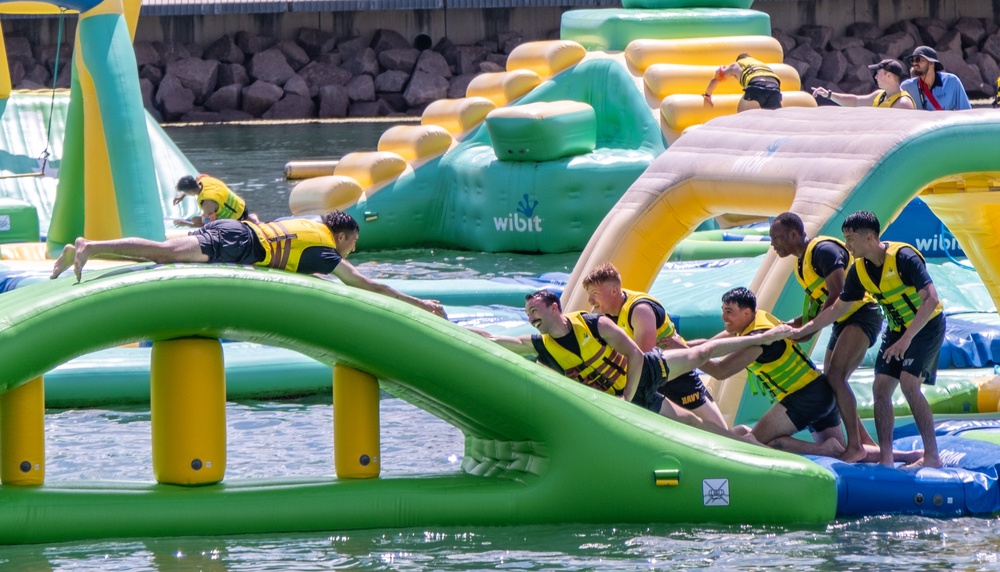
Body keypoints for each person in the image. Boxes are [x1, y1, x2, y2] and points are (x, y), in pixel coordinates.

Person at [476, 289, 789, 438]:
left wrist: (626, 396)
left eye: (535, 311)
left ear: (554, 307)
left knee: (701, 354)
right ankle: (741, 437)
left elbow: (637, 354)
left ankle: (760, 337)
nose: (531, 319)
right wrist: (438, 318)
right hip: (634, 396)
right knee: (696, 427)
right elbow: (492, 340)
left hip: (644, 371)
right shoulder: (540, 345)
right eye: (527, 314)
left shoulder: (594, 323)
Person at [50, 211, 447, 318]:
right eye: (353, 244)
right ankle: (90, 245)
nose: (352, 252)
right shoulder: (327, 250)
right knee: (163, 254)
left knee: (161, 250)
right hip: (240, 243)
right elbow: (367, 286)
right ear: (342, 236)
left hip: (236, 231)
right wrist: (421, 304)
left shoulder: (311, 224)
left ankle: (90, 247)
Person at [788, 211, 944, 468]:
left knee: (908, 384)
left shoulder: (904, 258)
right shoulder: (859, 270)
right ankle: (886, 458)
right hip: (897, 329)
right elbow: (838, 308)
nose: (846, 246)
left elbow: (931, 300)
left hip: (925, 325)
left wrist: (906, 339)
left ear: (869, 237)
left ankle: (932, 456)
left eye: (850, 239)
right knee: (880, 389)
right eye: (845, 239)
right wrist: (805, 330)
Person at [769, 212, 885, 462]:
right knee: (831, 381)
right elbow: (811, 314)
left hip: (861, 314)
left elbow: (839, 292)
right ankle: (865, 443)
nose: (773, 244)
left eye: (776, 238)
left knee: (836, 376)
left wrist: (809, 328)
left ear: (793, 234)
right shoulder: (800, 265)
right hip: (842, 321)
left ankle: (855, 445)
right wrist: (782, 329)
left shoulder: (823, 250)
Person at [582, 262, 728, 432]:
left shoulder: (640, 310)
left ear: (614, 291)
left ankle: (749, 441)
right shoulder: (601, 313)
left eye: (594, 294)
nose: (590, 300)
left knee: (721, 431)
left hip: (676, 374)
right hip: (651, 379)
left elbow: (646, 360)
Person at [811, 59, 915, 109]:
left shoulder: (903, 104)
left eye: (878, 73)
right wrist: (829, 95)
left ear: (889, 76)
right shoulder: (879, 95)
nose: (875, 77)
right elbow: (855, 101)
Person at [702, 53, 782, 112]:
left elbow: (715, 80)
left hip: (756, 87)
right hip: (775, 89)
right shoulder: (761, 64)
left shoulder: (736, 64)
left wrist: (707, 95)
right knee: (772, 120)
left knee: (742, 118)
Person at [900, 46, 971, 111]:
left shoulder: (952, 81)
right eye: (912, 60)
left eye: (918, 59)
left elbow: (966, 112)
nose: (914, 63)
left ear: (931, 63)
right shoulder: (906, 87)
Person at [173, 174, 260, 227]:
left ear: (189, 191)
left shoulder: (207, 202)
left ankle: (247, 222)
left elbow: (206, 225)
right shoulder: (204, 179)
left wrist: (185, 224)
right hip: (242, 206)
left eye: (185, 192)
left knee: (195, 220)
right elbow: (193, 183)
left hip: (236, 217)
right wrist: (182, 195)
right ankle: (251, 218)